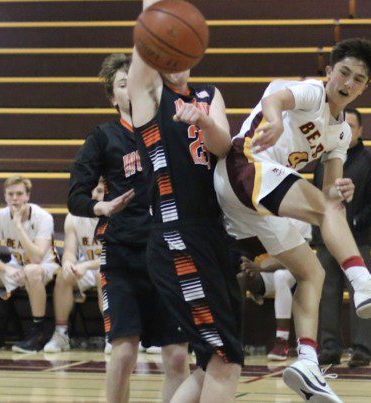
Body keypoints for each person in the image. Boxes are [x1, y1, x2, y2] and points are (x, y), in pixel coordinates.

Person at [213, 38, 371, 402]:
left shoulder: (341, 132)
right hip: (244, 166)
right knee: (326, 215)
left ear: (364, 88)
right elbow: (275, 97)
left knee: (313, 271)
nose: (348, 83)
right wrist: (274, 120)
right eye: (344, 73)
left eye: (358, 79)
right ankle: (363, 283)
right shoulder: (313, 93)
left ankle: (308, 362)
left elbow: (329, 193)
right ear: (329, 71)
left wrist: (341, 189)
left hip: (249, 206)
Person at [128, 2, 244, 401]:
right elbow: (147, 27)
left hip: (213, 233)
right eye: (165, 45)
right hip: (177, 235)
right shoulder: (148, 94)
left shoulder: (209, 94)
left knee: (216, 358)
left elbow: (223, 146)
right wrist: (156, 11)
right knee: (225, 358)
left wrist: (205, 120)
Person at [68, 53, 188, 403]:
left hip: (169, 252)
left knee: (177, 356)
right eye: (123, 84)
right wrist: (100, 206)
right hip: (123, 255)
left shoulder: (172, 129)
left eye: (135, 82)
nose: (131, 89)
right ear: (113, 97)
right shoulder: (103, 137)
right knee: (123, 354)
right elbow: (75, 195)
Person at [313, 107, 371, 368]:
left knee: (362, 292)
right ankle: (329, 348)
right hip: (325, 240)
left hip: (357, 240)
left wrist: (355, 222)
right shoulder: (324, 158)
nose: (345, 130)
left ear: (360, 130)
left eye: (351, 126)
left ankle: (361, 349)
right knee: (327, 294)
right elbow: (316, 196)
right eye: (342, 125)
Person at [0, 175, 61, 353]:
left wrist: (18, 226)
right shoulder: (0, 216)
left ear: (27, 196)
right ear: (5, 196)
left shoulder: (43, 217)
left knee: (31, 270)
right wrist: (8, 269)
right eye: (10, 194)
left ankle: (38, 333)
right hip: (17, 267)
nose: (14, 198)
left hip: (46, 266)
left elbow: (37, 257)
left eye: (19, 194)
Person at [236, 219, 312, 362]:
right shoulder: (269, 215)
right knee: (242, 277)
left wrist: (261, 267)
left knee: (280, 276)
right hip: (268, 270)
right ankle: (235, 340)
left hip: (295, 271)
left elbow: (297, 259)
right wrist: (249, 264)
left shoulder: (301, 218)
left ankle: (282, 341)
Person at [43, 181, 104, 353]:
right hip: (87, 267)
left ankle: (113, 334)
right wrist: (68, 264)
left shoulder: (116, 215)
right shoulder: (74, 217)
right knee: (64, 275)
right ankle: (61, 334)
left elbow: (116, 256)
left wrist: (86, 265)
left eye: (99, 191)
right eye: (90, 191)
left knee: (102, 275)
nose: (94, 195)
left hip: (115, 267)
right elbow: (69, 252)